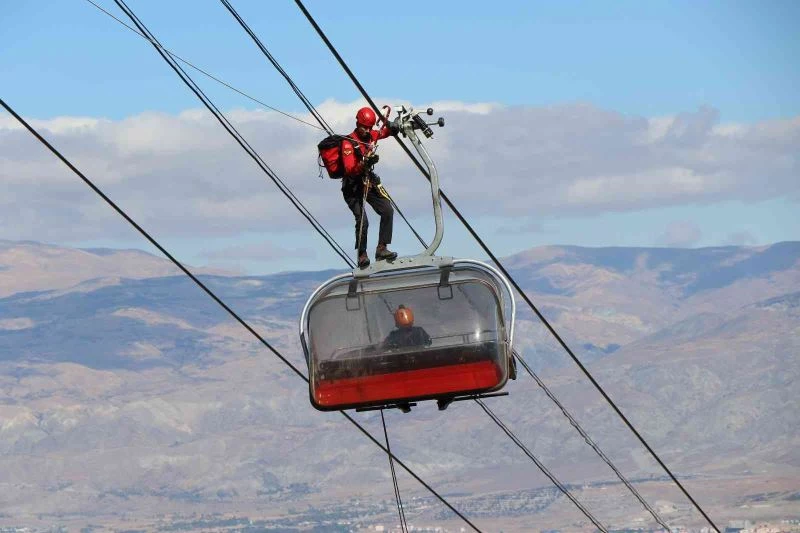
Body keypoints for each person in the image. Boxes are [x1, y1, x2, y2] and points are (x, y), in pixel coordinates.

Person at [341, 106, 399, 268]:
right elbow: (349, 169)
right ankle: (362, 254)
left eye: (369, 127)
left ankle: (382, 248)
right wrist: (363, 163)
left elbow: (383, 132)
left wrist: (394, 127)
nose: (367, 130)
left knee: (387, 210)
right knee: (362, 221)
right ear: (357, 123)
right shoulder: (348, 143)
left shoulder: (370, 136)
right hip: (352, 186)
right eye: (364, 127)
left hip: (368, 181)